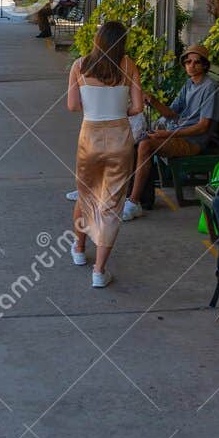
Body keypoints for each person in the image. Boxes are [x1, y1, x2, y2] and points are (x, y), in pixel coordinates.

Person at [66, 20, 144, 289]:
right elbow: (139, 106)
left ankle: (78, 248)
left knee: (85, 193)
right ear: (122, 42)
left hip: (89, 137)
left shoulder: (79, 65)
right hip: (120, 139)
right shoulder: (128, 65)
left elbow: (72, 106)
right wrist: (120, 112)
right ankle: (99, 271)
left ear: (97, 39)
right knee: (111, 204)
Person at [124, 43, 219, 218]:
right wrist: (153, 100)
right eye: (188, 62)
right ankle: (130, 197)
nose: (191, 66)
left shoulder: (210, 88)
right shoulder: (189, 83)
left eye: (196, 62)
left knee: (146, 145)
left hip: (192, 142)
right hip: (176, 132)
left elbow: (203, 127)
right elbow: (171, 113)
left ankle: (133, 202)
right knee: (135, 140)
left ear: (205, 65)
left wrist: (168, 134)